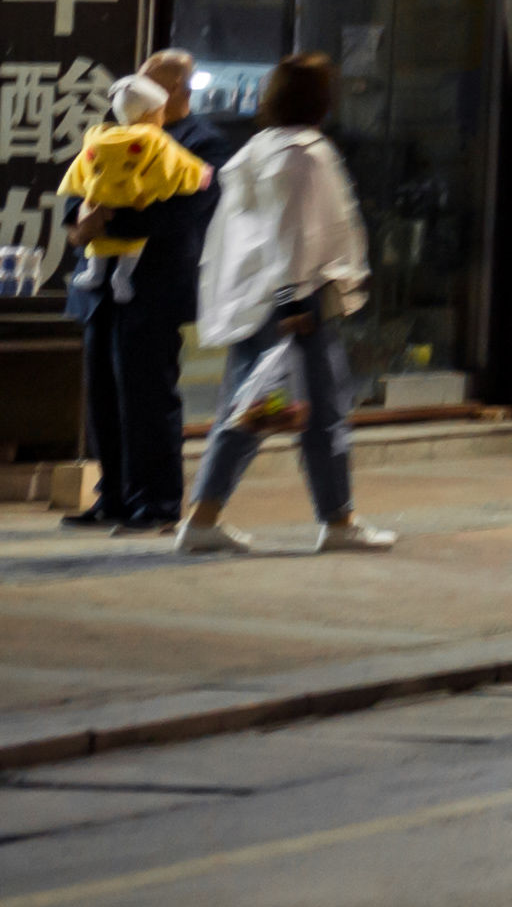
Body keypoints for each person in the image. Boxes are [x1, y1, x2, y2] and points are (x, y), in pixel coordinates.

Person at [179, 55, 391, 556]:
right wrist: (294, 303)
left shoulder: (260, 148)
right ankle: (339, 521)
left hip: (257, 302)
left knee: (250, 409)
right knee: (323, 413)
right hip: (295, 301)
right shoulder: (305, 154)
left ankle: (203, 519)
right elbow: (296, 235)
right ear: (322, 98)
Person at [59, 61, 205, 533]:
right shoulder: (108, 134)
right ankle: (114, 496)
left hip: (152, 291)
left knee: (146, 396)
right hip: (100, 287)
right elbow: (79, 185)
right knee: (102, 395)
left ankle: (157, 501)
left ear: (175, 90)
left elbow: (181, 215)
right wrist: (77, 225)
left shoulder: (200, 143)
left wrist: (103, 222)